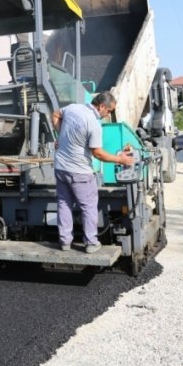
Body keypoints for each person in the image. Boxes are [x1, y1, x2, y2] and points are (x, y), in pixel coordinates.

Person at [52, 91, 134, 254]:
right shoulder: (94, 124)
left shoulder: (73, 108)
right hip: (80, 172)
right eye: (108, 111)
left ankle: (65, 242)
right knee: (88, 207)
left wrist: (61, 136)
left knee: (64, 203)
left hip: (60, 168)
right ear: (101, 106)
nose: (107, 115)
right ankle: (90, 243)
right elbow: (98, 153)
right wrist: (121, 160)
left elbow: (55, 114)